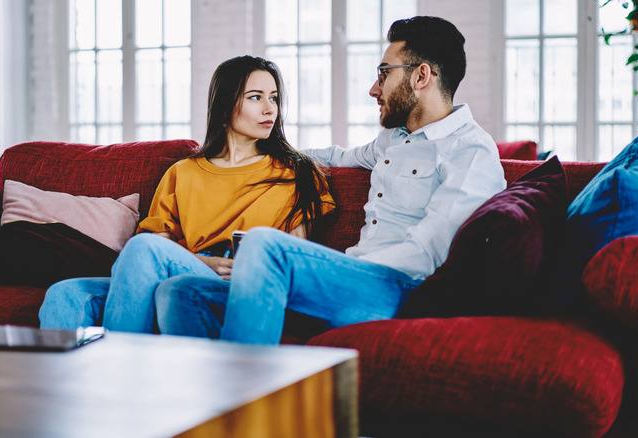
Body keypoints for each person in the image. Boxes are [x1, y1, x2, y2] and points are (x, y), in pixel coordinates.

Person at [154, 16, 508, 344]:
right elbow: (339, 157)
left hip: (402, 289)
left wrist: (344, 267)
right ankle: (205, 405)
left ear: (421, 76)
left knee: (263, 245)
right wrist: (268, 154)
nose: (374, 88)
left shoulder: (470, 152)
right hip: (353, 281)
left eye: (384, 74)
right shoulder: (396, 139)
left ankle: (251, 405)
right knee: (182, 291)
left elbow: (429, 253)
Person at [38, 55, 334, 333]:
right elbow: (158, 246)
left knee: (144, 249)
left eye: (274, 98)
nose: (270, 109)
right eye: (255, 97)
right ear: (224, 105)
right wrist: (205, 263)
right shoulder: (183, 172)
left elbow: (295, 258)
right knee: (64, 294)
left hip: (239, 281)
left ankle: (120, 369)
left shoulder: (296, 173)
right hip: (185, 266)